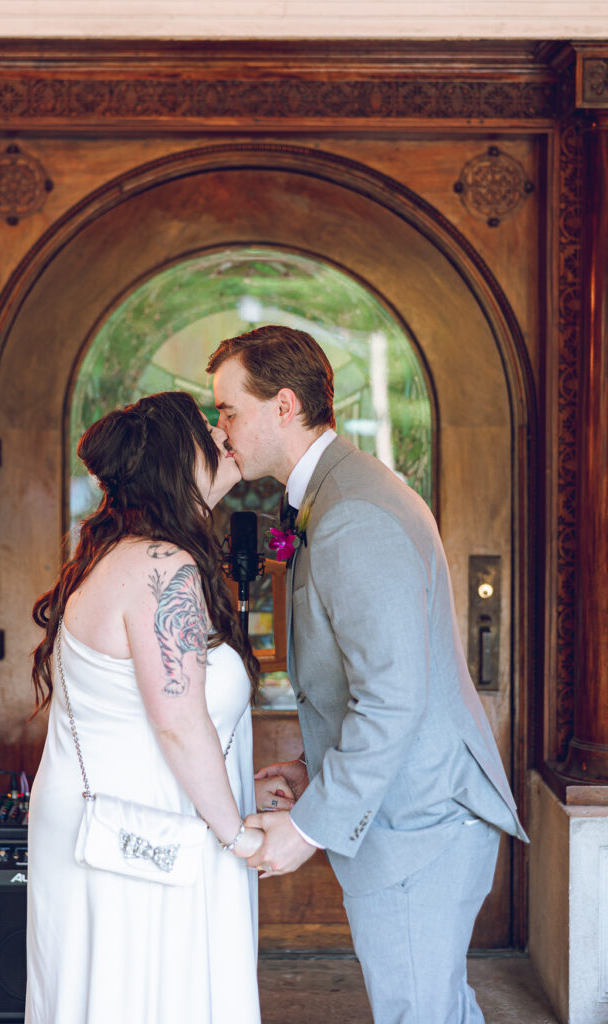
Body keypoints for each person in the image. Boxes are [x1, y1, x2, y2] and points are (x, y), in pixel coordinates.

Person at [207, 325, 529, 1024]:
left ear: (283, 406)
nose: (220, 430)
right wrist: (309, 766)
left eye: (228, 411)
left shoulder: (351, 513)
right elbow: (365, 679)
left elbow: (392, 697)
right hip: (412, 811)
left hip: (419, 822)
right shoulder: (339, 491)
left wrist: (309, 826)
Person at [26, 391, 272, 1024]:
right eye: (206, 431)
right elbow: (177, 721)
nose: (222, 438)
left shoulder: (121, 555)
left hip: (128, 825)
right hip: (147, 840)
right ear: (176, 460)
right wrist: (239, 835)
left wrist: (243, 780)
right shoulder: (164, 565)